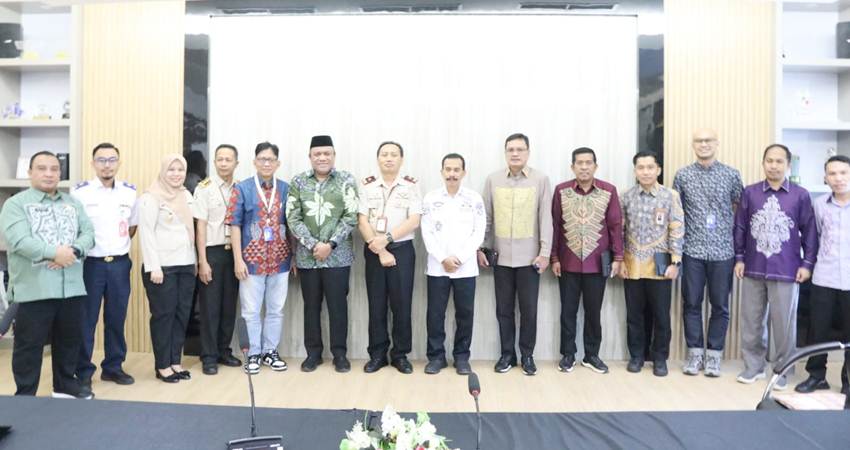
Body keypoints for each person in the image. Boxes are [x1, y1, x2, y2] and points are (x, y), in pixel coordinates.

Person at [0, 151, 95, 398]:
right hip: (35, 288)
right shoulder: (15, 204)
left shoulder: (72, 203)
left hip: (71, 286)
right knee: (29, 347)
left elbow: (89, 234)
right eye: (41, 168)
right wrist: (54, 253)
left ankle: (64, 384)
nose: (49, 173)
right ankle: (25, 394)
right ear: (30, 172)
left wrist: (72, 251)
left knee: (69, 341)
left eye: (54, 169)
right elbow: (19, 241)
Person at [734, 144, 817, 390]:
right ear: (763, 163)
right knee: (751, 321)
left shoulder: (800, 195)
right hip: (753, 267)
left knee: (784, 325)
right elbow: (740, 227)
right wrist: (739, 258)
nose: (774, 165)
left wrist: (807, 264)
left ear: (788, 165)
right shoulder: (750, 193)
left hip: (787, 268)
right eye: (769, 160)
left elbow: (809, 232)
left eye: (779, 161)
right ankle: (753, 366)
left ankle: (782, 370)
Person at [478, 133, 552, 375]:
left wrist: (545, 252)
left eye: (520, 149)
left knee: (529, 310)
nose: (515, 153)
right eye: (511, 149)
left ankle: (527, 356)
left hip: (530, 259)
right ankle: (507, 354)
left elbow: (546, 219)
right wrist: (482, 248)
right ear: (505, 152)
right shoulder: (493, 180)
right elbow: (485, 217)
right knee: (503, 310)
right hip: (501, 259)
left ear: (528, 152)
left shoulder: (540, 180)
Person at [672, 129, 742, 377]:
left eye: (708, 140)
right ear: (693, 145)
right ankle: (694, 354)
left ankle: (714, 356)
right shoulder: (682, 176)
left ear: (717, 143)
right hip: (692, 250)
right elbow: (676, 213)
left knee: (720, 306)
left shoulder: (732, 175)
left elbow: (738, 208)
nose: (703, 144)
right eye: (699, 141)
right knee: (691, 304)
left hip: (723, 251)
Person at [287, 135, 358, 373]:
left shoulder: (346, 180)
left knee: (338, 307)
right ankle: (313, 354)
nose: (322, 157)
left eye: (327, 153)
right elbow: (292, 217)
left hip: (338, 257)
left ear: (334, 155)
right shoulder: (298, 182)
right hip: (308, 258)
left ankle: (340, 354)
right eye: (317, 154)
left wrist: (330, 245)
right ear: (310, 157)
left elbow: (351, 215)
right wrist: (312, 244)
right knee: (311, 307)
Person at [550, 147, 623, 375]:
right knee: (567, 311)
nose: (584, 167)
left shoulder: (608, 191)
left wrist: (618, 257)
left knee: (594, 311)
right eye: (579, 163)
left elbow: (615, 226)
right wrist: (553, 257)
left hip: (597, 263)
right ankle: (568, 355)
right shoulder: (561, 191)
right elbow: (554, 226)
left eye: (588, 163)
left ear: (595, 166)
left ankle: (591, 355)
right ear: (572, 167)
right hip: (567, 262)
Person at [72, 142, 138, 389]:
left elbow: (131, 227)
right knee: (86, 320)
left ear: (119, 163)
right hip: (91, 264)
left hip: (120, 264)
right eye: (101, 160)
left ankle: (113, 367)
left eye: (112, 160)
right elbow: (75, 229)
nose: (107, 165)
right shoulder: (80, 193)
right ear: (93, 163)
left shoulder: (129, 192)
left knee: (116, 318)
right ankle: (83, 371)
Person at [228, 142, 293, 374]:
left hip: (280, 260)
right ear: (255, 162)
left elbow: (292, 225)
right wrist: (238, 259)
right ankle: (254, 353)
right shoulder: (242, 188)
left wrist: (293, 257)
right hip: (250, 262)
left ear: (278, 163)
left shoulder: (286, 189)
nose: (266, 163)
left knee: (276, 309)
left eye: (271, 159)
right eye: (262, 159)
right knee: (250, 310)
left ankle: (270, 351)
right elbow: (234, 225)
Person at [358, 141, 422, 374]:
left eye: (394, 154)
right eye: (384, 154)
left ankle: (400, 355)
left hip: (402, 249)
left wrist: (387, 240)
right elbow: (362, 220)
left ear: (401, 159)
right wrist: (380, 247)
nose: (389, 158)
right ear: (378, 159)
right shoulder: (367, 185)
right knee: (376, 304)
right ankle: (377, 355)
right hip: (374, 248)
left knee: (402, 304)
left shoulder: (411, 185)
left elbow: (414, 220)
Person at [620, 151, 684, 377]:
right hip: (633, 265)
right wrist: (620, 262)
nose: (645, 172)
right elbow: (620, 230)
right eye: (640, 167)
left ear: (658, 170)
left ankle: (660, 358)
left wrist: (675, 261)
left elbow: (676, 228)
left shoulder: (670, 196)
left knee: (661, 316)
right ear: (635, 171)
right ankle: (636, 356)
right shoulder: (626, 196)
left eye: (650, 167)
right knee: (634, 315)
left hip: (661, 267)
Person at [421, 153, 486, 375]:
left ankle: (461, 358)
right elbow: (427, 232)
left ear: (463, 173)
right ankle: (436, 357)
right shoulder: (430, 198)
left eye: (456, 170)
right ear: (441, 172)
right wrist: (442, 258)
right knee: (435, 314)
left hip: (465, 267)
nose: (452, 174)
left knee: (465, 314)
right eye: (447, 170)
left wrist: (460, 257)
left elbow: (479, 231)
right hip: (438, 267)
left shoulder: (474, 198)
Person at [139, 154, 197, 383]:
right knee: (164, 316)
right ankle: (162, 365)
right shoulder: (150, 198)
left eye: (180, 170)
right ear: (163, 172)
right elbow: (146, 233)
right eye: (171, 170)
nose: (176, 174)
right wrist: (154, 267)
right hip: (162, 268)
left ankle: (175, 362)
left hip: (185, 264)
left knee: (182, 315)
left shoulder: (186, 195)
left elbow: (190, 230)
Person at [795, 155, 850, 395]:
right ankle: (816, 376)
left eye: (843, 173)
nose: (838, 179)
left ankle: (848, 381)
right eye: (833, 174)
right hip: (824, 277)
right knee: (818, 330)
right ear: (825, 178)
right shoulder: (819, 204)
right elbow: (814, 239)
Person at [193, 144, 242, 375]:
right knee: (210, 307)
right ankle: (209, 356)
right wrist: (202, 260)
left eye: (228, 159)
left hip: (233, 253)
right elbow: (200, 226)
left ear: (236, 163)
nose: (223, 163)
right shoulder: (204, 188)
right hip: (211, 252)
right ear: (214, 162)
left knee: (229, 305)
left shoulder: (241, 189)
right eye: (219, 159)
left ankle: (224, 350)